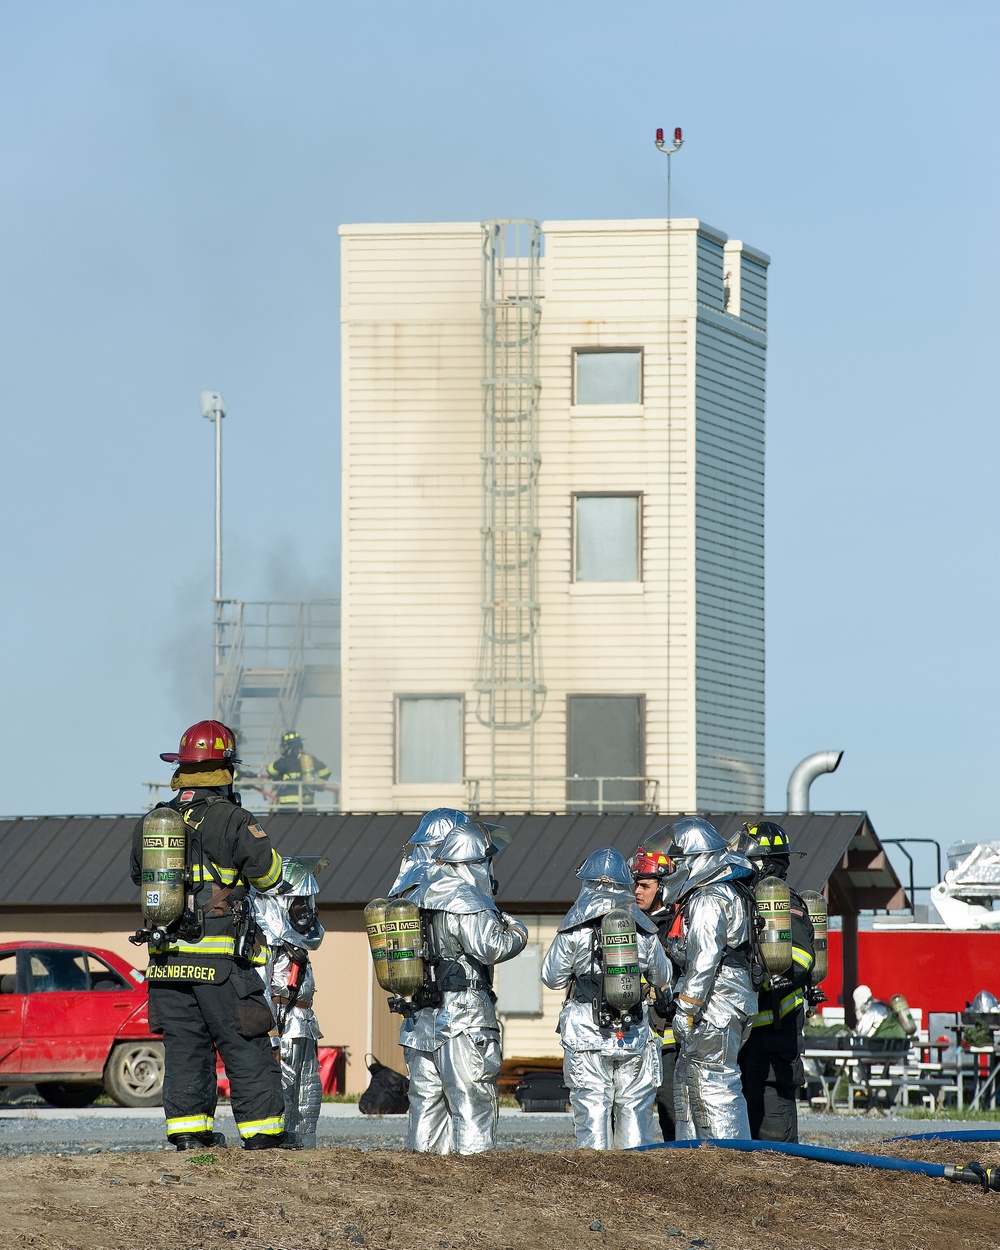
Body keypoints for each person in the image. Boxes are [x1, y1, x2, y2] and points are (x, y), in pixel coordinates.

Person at [130, 719, 290, 1151]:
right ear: (225, 769)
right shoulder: (232, 818)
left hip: (165, 963)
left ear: (181, 769)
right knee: (245, 1042)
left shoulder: (154, 821)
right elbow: (270, 874)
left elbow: (136, 874)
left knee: (185, 1049)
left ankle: (188, 1135)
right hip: (219, 964)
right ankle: (264, 1137)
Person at [390, 810, 527, 1154]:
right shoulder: (465, 897)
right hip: (464, 1018)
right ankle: (475, 1190)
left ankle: (423, 1187)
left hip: (418, 1018)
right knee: (472, 1102)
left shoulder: (409, 893)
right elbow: (491, 946)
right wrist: (517, 929)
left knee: (425, 1108)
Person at [542, 847, 670, 1150]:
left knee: (592, 1108)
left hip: (587, 1035)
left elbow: (552, 977)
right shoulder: (643, 927)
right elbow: (663, 978)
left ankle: (596, 1187)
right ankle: (637, 1181)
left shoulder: (574, 928)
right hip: (633, 1033)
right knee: (636, 1108)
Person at [642, 817, 756, 1140]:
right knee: (687, 1079)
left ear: (694, 860)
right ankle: (693, 1162)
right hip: (722, 1003)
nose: (670, 868)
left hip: (716, 1008)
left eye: (675, 860)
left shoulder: (708, 898)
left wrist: (687, 1009)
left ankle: (731, 1165)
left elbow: (704, 959)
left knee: (714, 1083)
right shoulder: (715, 892)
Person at [734, 822, 815, 1143]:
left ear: (764, 863)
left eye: (744, 853)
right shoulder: (750, 901)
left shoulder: (783, 905)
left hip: (773, 1043)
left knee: (776, 1149)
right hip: (752, 1041)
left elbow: (801, 958)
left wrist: (762, 979)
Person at [253, 856, 328, 1148]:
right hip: (282, 1025)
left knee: (309, 1091)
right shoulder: (269, 939)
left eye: (306, 901)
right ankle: (279, 1147)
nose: (305, 909)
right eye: (298, 902)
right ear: (282, 903)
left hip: (304, 1024)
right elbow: (261, 988)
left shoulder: (295, 942)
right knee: (282, 1089)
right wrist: (271, 1038)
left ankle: (305, 1146)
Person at [629, 848, 679, 1140]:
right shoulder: (627, 923)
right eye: (636, 884)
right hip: (633, 1034)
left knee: (670, 1108)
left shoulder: (675, 925)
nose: (637, 891)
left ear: (664, 888)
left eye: (645, 886)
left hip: (668, 1038)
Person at [266, 731, 332, 808]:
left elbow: (272, 771)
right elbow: (325, 772)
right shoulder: (308, 759)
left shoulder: (286, 760)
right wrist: (318, 784)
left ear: (287, 746)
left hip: (288, 804)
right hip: (307, 803)